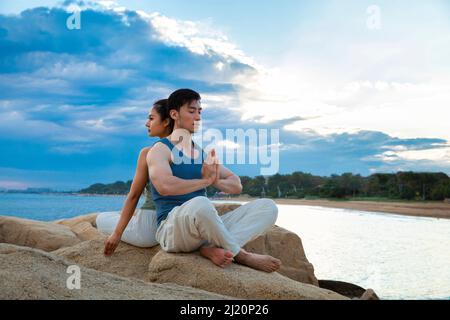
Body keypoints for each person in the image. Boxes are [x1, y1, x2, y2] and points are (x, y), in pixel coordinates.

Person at [148, 89, 282, 272]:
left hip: (204, 225)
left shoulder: (201, 154)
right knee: (201, 203)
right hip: (173, 229)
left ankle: (211, 248)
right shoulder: (160, 150)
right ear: (174, 114)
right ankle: (241, 255)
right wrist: (205, 181)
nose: (198, 117)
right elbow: (164, 186)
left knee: (268, 206)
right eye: (191, 111)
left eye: (200, 111)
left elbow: (236, 184)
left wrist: (214, 181)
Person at [98, 99, 173, 256]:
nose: (147, 123)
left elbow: (133, 196)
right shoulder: (186, 152)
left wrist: (117, 234)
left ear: (166, 121)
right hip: (173, 226)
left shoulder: (148, 153)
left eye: (151, 118)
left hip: (148, 230)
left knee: (101, 218)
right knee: (122, 215)